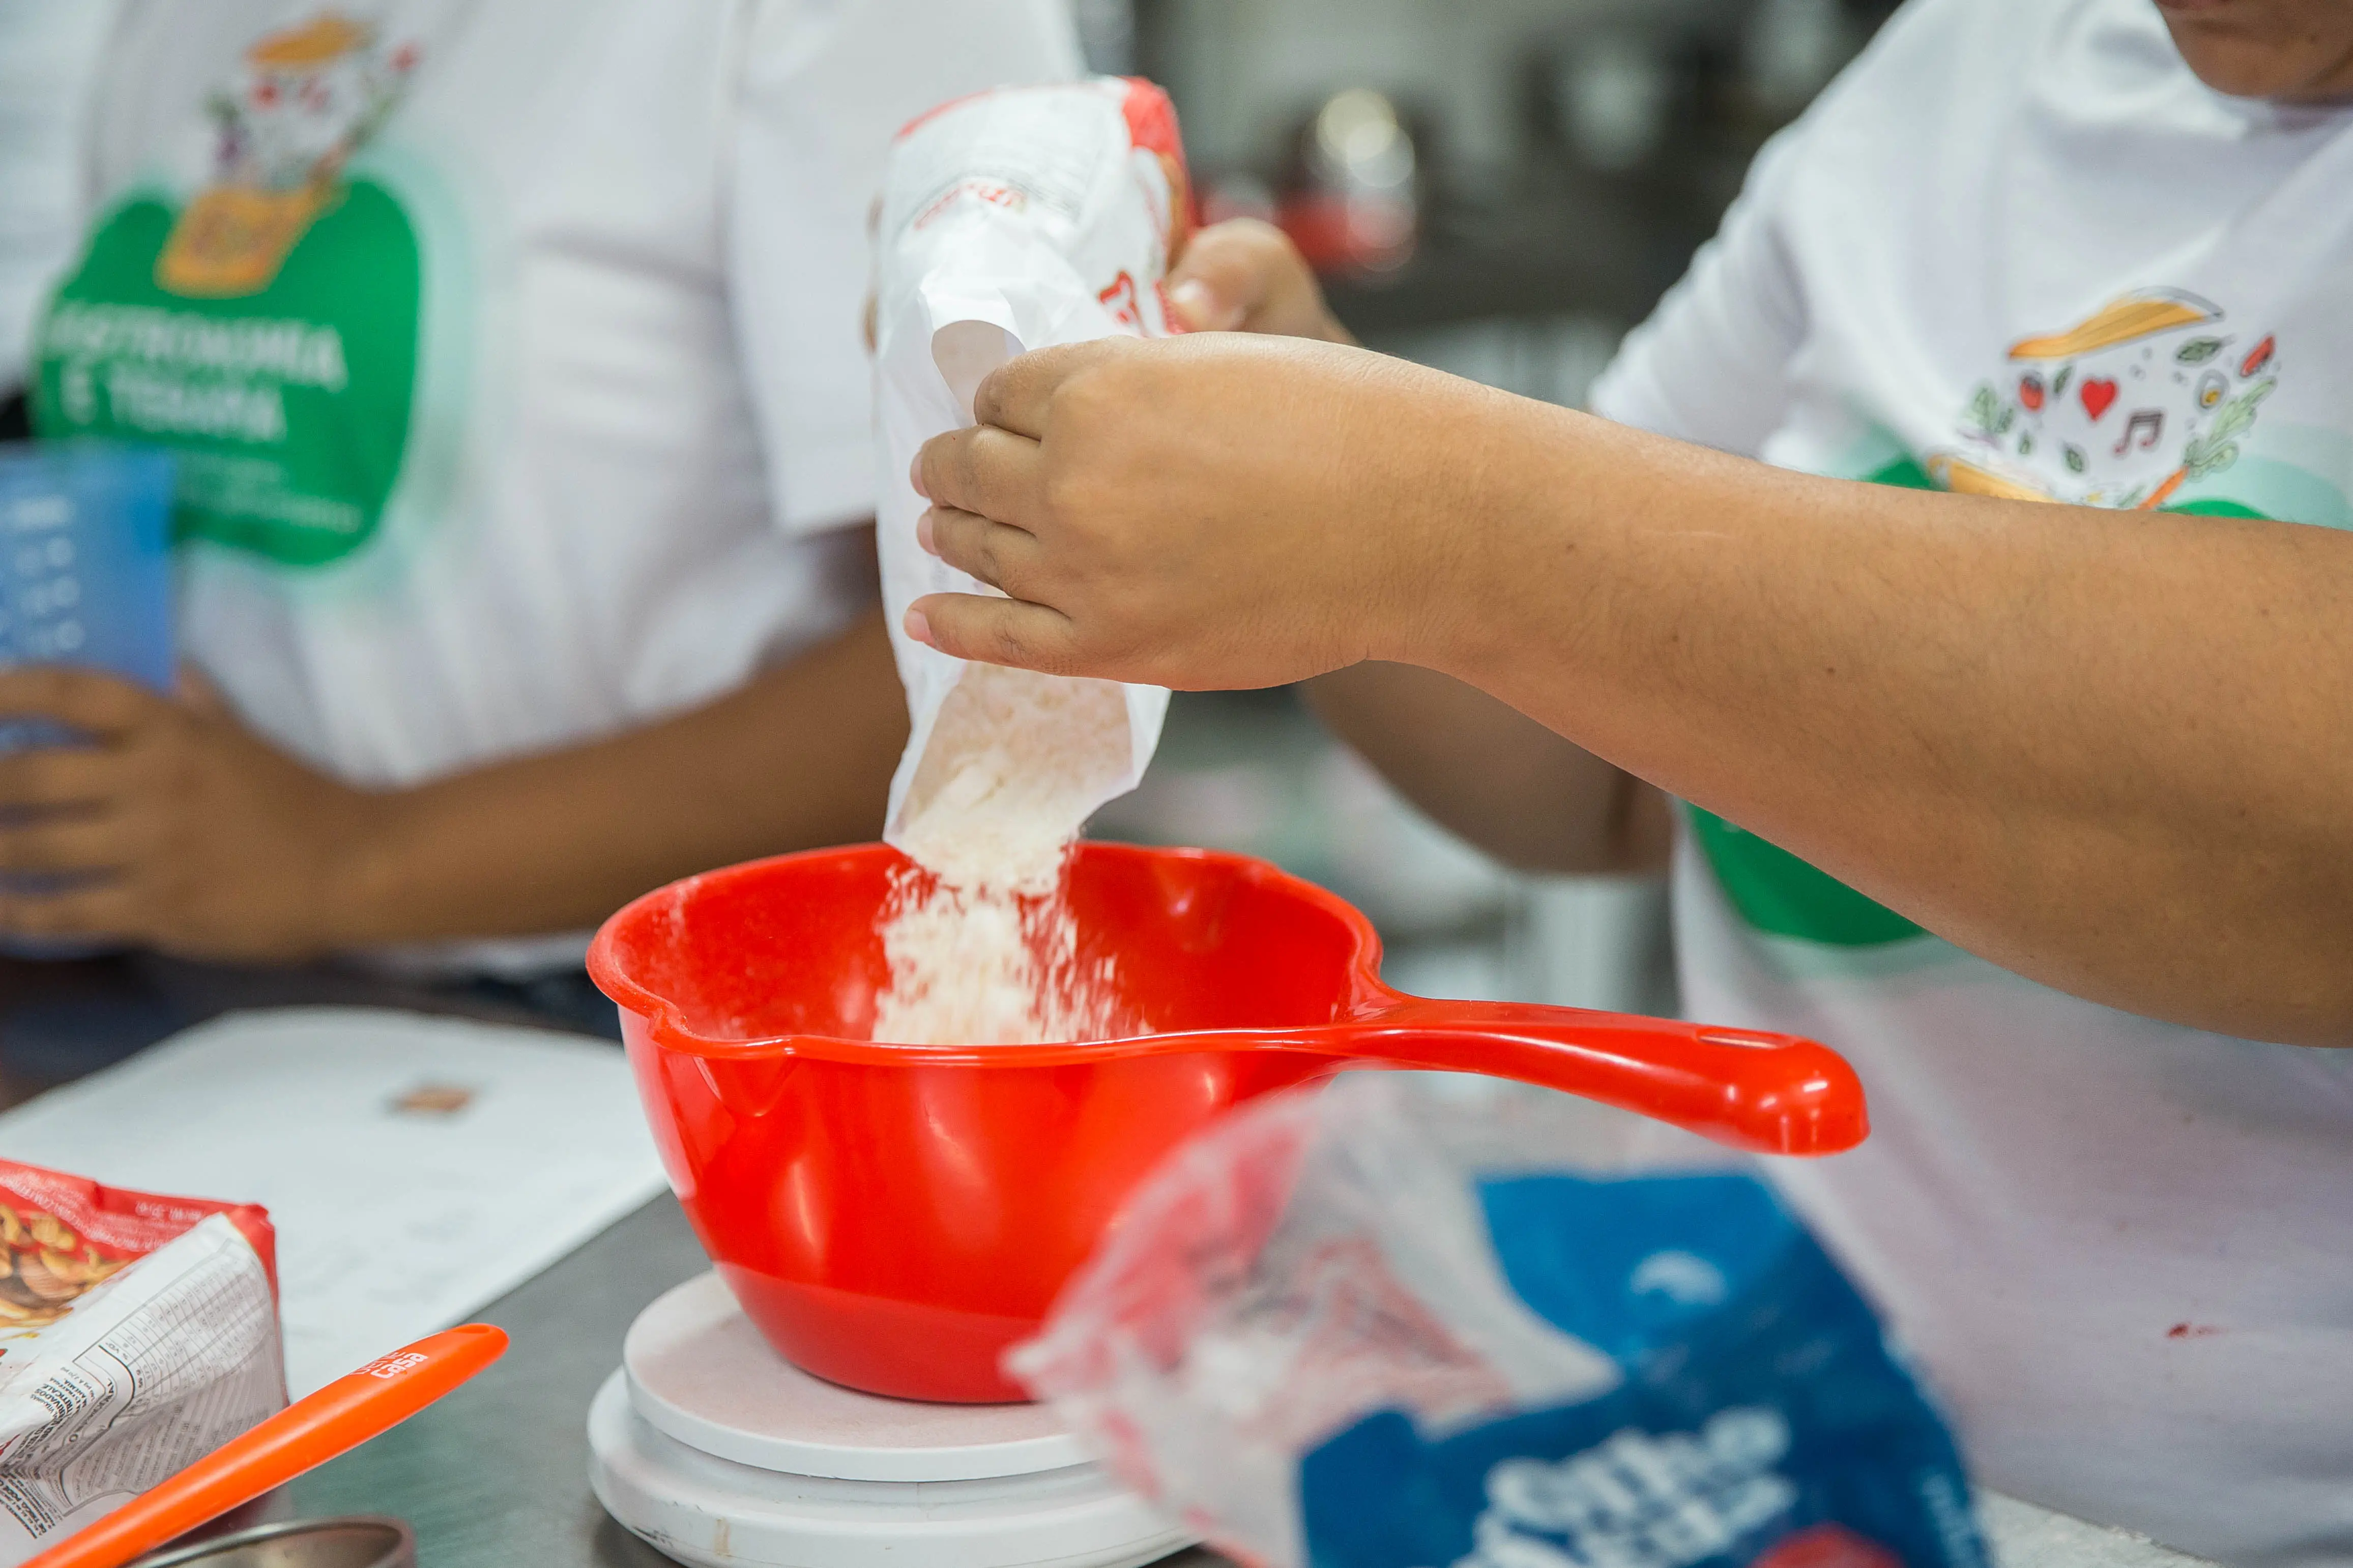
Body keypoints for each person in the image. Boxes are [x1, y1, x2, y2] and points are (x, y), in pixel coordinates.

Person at [903, 0, 2353, 1561]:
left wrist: (1448, 520)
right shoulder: (1962, 70)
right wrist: (1301, 442)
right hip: (1731, 1460)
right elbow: (1597, 764)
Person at [7, 0, 1078, 1034]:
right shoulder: (163, 22)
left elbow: (1020, 658)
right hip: (181, 998)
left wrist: (347, 857)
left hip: (633, 1028)